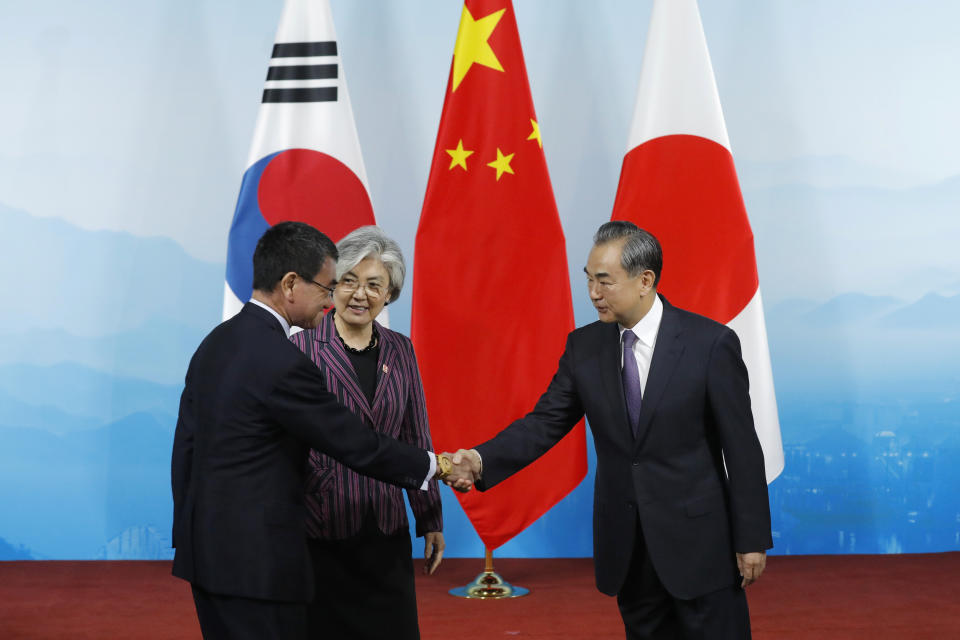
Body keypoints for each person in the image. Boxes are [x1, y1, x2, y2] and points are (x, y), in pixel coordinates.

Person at [449, 221, 772, 639]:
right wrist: (478, 460)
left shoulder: (710, 344)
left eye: (604, 281)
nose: (593, 294)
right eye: (588, 280)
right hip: (629, 546)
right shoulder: (584, 347)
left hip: (700, 544)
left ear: (645, 280)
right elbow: (545, 422)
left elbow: (742, 448)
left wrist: (751, 539)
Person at [171, 222, 470, 640]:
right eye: (332, 286)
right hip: (279, 552)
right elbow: (354, 442)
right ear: (291, 284)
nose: (333, 299)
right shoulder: (287, 356)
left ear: (389, 293)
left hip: (215, 553)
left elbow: (186, 447)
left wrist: (188, 532)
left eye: (372, 284)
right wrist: (440, 466)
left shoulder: (216, 342)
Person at [290, 226, 442, 640]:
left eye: (374, 285)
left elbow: (416, 436)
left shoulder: (401, 349)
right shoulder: (300, 349)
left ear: (389, 294)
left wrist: (429, 517)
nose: (360, 294)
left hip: (386, 523)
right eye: (350, 281)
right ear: (333, 286)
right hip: (321, 524)